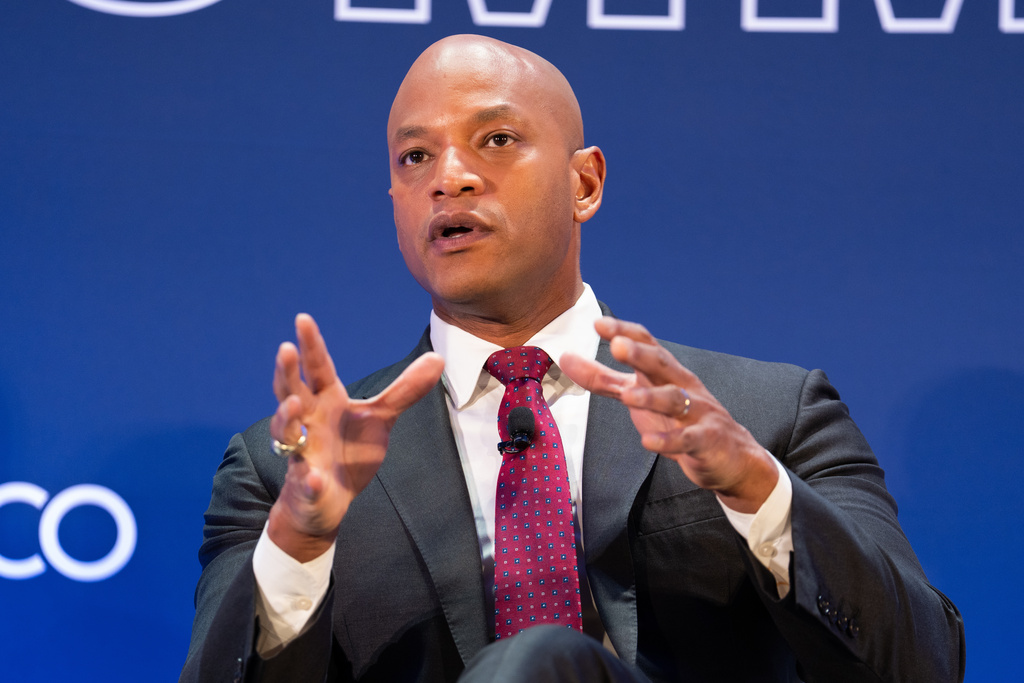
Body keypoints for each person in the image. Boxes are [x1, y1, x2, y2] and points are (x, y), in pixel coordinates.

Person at [180, 34, 965, 683]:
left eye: (495, 139)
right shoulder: (284, 470)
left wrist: (758, 489)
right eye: (414, 158)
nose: (449, 177)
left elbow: (924, 663)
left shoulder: (770, 415)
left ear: (584, 180)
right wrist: (300, 543)